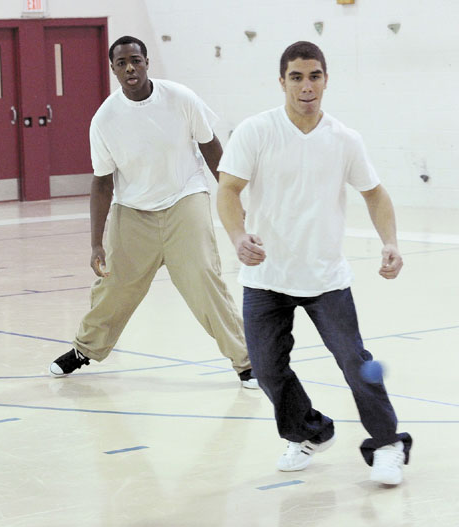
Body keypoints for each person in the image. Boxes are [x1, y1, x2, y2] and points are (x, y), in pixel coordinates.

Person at [216, 41, 412, 485]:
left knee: (354, 362)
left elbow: (375, 193)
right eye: (297, 77)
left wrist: (390, 242)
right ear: (281, 81)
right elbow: (227, 190)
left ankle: (387, 444)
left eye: (315, 76)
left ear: (326, 79)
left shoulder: (344, 139)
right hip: (266, 277)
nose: (307, 86)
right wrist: (237, 236)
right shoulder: (256, 130)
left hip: (325, 276)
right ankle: (309, 431)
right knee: (266, 369)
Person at [48, 35, 256, 389]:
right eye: (122, 63)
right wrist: (96, 244)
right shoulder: (105, 119)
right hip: (133, 212)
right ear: (113, 70)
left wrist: (231, 197)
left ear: (146, 63)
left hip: (184, 200)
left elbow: (211, 149)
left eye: (136, 60)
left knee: (204, 278)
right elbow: (102, 184)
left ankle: (247, 363)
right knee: (114, 287)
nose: (130, 68)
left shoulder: (181, 98)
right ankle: (85, 349)